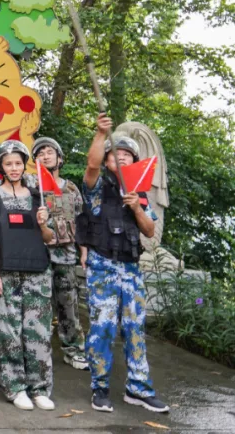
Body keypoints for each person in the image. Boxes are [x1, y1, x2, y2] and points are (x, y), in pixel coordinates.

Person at [79, 115, 169, 413]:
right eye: (116, 154)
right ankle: (100, 388)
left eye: (128, 155)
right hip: (102, 266)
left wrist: (136, 208)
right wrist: (100, 133)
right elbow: (91, 166)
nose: (122, 157)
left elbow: (149, 231)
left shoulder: (139, 194)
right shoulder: (97, 187)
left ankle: (138, 389)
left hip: (131, 269)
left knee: (135, 330)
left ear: (134, 162)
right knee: (102, 329)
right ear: (108, 160)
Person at [0, 140, 54, 411]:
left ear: (25, 165)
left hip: (37, 273)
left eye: (18, 163)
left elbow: (49, 238)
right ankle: (15, 387)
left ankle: (40, 388)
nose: (14, 168)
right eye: (8, 164)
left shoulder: (38, 196)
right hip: (6, 272)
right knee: (8, 332)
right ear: (0, 166)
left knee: (39, 332)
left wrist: (44, 224)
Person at [31, 137, 87, 371]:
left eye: (49, 152)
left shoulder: (71, 188)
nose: (45, 156)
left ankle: (73, 350)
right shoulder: (30, 186)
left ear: (59, 157)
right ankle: (37, 353)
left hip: (66, 255)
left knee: (68, 305)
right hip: (37, 255)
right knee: (37, 306)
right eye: (40, 153)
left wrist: (84, 252)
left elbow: (81, 223)